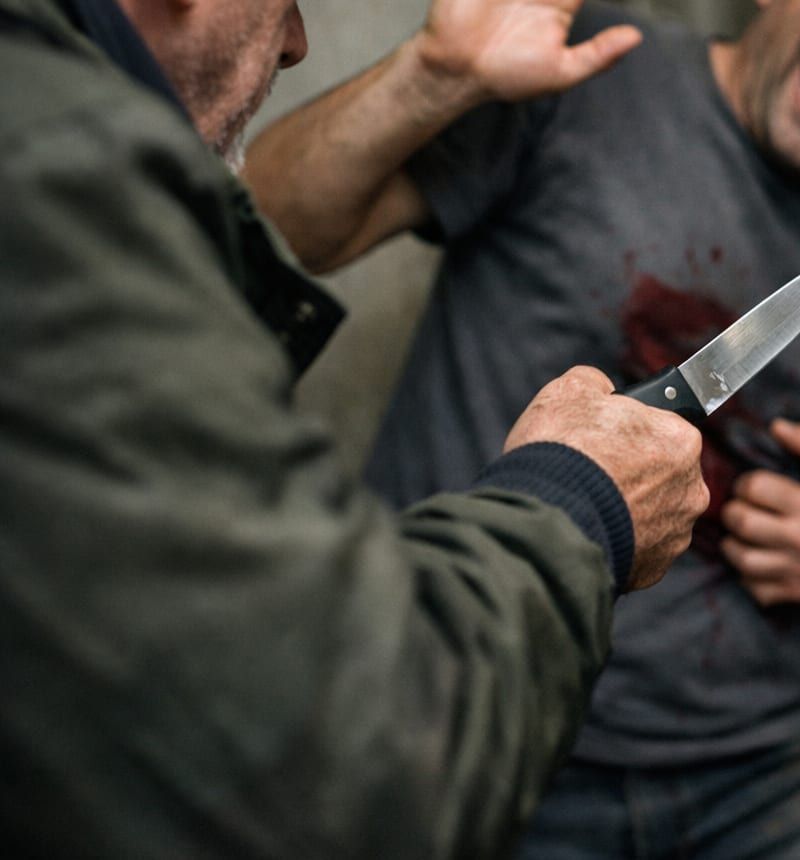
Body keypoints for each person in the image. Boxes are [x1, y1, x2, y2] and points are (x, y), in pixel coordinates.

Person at [244, 0, 800, 856]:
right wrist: (432, 74)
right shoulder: (581, 71)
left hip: (764, 755)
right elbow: (264, 230)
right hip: (472, 709)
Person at [0, 0, 713, 856]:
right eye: (286, 3)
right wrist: (584, 501)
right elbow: (365, 768)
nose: (298, 43)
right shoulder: (49, 173)